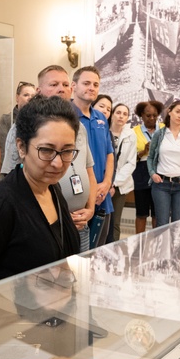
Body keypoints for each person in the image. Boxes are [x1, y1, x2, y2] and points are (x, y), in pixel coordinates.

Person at [0, 95, 82, 291]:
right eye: (46, 150)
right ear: (21, 147)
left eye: (67, 151)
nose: (58, 163)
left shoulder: (52, 188)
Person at [2, 65, 96, 248]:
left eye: (65, 84)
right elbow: (11, 180)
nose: (61, 88)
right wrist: (54, 215)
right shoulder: (22, 128)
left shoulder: (79, 128)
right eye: (53, 84)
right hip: (45, 226)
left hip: (81, 224)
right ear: (39, 90)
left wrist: (90, 209)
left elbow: (88, 170)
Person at [71, 66, 114, 247]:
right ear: (74, 85)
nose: (91, 87)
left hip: (102, 195)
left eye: (95, 84)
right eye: (86, 83)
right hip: (77, 196)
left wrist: (106, 183)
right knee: (76, 252)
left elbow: (109, 153)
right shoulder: (65, 116)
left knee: (100, 250)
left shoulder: (101, 118)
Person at [148, 99, 180, 226]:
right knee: (162, 224)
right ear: (169, 112)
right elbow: (150, 157)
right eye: (177, 112)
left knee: (179, 225)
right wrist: (152, 173)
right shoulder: (159, 134)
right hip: (161, 185)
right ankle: (161, 247)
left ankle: (176, 247)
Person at [131, 100, 163, 234]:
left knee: (158, 213)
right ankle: (138, 243)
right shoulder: (133, 132)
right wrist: (143, 152)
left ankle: (156, 242)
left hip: (160, 172)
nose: (152, 118)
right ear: (141, 116)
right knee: (141, 213)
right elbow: (129, 158)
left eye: (155, 115)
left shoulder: (164, 129)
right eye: (148, 115)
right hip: (141, 175)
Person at [108, 103, 137, 242]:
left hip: (120, 186)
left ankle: (112, 256)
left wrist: (113, 183)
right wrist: (107, 183)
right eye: (118, 112)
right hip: (101, 183)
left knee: (115, 222)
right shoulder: (103, 130)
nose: (121, 116)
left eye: (125, 114)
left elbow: (131, 162)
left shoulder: (130, 135)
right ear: (112, 114)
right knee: (99, 220)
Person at [0, 80, 35, 162]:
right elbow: (3, 151)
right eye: (26, 95)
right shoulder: (6, 120)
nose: (30, 98)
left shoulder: (39, 120)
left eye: (33, 96)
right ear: (17, 98)